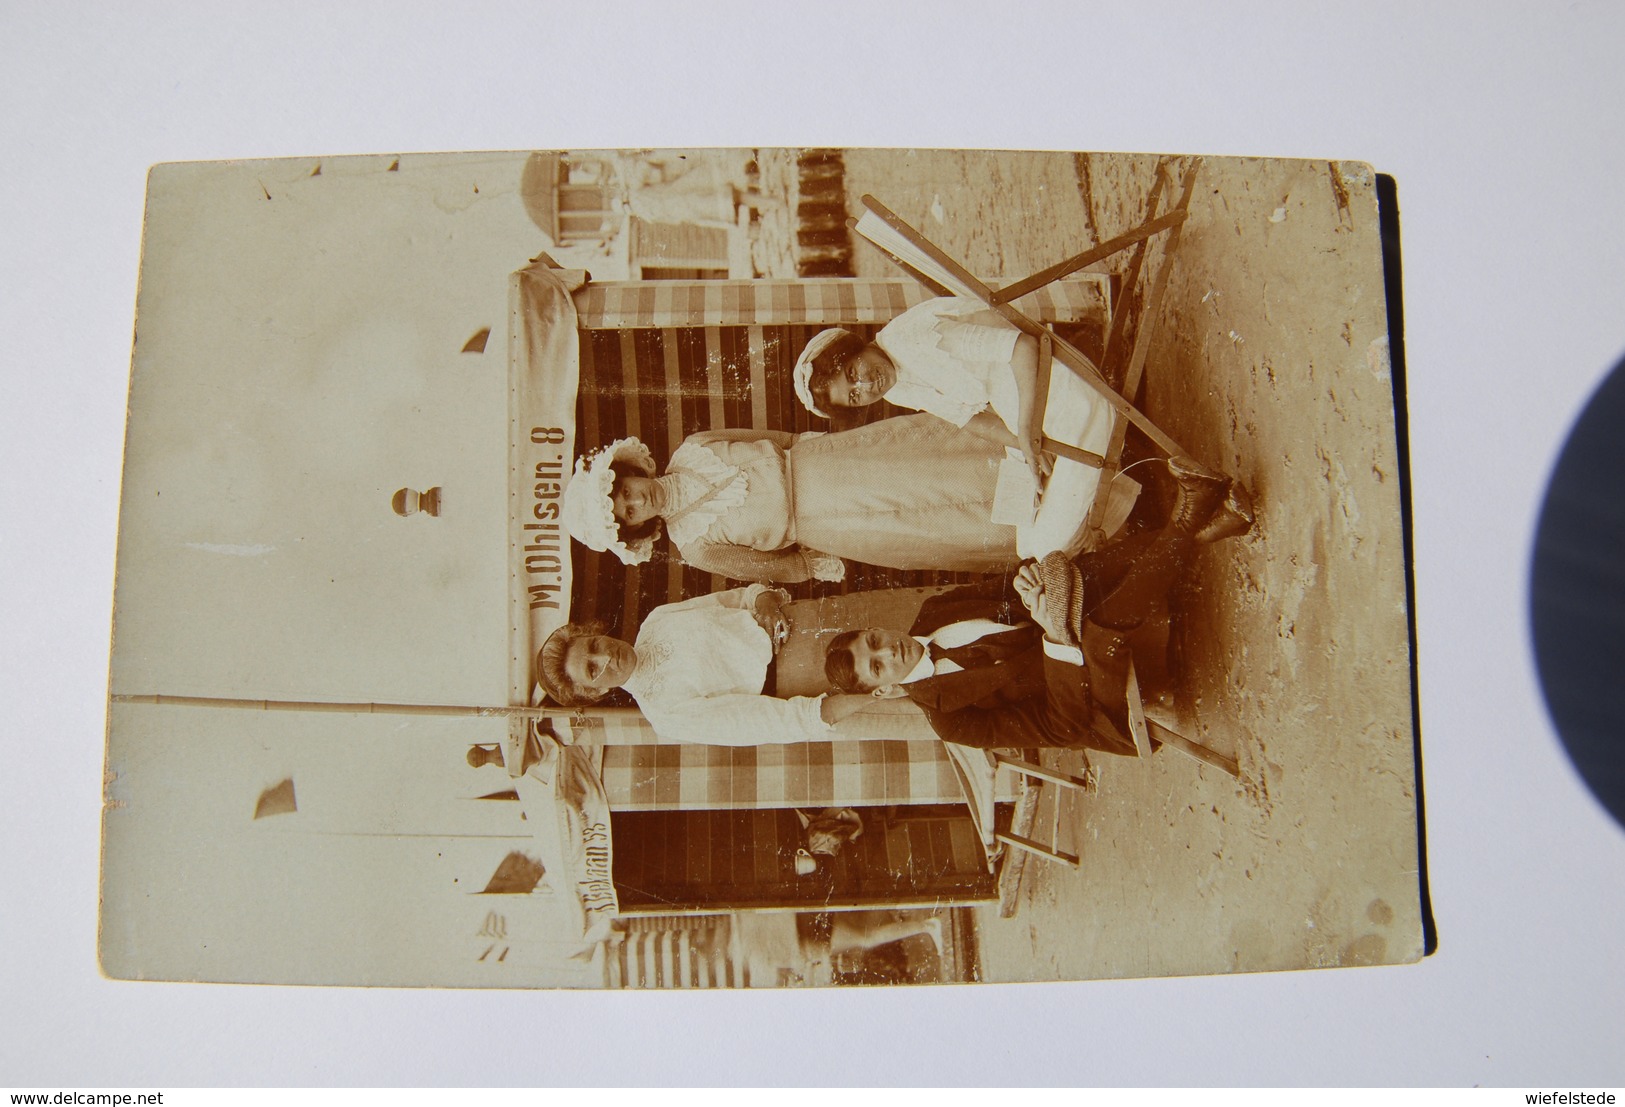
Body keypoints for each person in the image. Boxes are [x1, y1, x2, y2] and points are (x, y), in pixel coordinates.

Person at [822, 457, 1248, 755]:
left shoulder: (935, 612)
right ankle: (1193, 515)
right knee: (1098, 624)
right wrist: (1057, 638)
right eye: (877, 665)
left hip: (1078, 624)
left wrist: (1029, 583)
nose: (887, 650)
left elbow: (1012, 584)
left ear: (876, 628)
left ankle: (1217, 522)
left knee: (1081, 569)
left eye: (874, 640)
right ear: (883, 689)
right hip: (1092, 700)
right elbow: (1062, 726)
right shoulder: (950, 720)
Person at [793, 296, 1150, 559]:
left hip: (1057, 390)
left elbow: (1022, 347)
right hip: (1027, 414)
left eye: (853, 373)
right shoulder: (896, 383)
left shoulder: (911, 341)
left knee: (1047, 546)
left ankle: (1124, 525)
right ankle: (1111, 514)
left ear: (853, 350)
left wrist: (1029, 434)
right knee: (1022, 534)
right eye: (855, 395)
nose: (867, 386)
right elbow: (971, 419)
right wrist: (1025, 448)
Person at [561, 419, 1026, 584]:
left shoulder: (695, 446)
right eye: (629, 512)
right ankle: (1033, 516)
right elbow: (771, 567)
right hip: (827, 520)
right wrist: (810, 562)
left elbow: (771, 437)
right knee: (928, 520)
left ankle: (1026, 452)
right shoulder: (695, 545)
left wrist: (819, 445)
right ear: (636, 527)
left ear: (631, 473)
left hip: (822, 463)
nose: (636, 500)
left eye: (626, 491)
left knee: (924, 466)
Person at [536, 582, 874, 745]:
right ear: (595, 693)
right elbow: (764, 724)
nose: (607, 656)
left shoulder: (657, 620)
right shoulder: (665, 715)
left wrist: (766, 602)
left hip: (810, 616)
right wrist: (861, 699)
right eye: (593, 669)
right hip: (808, 677)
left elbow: (742, 597)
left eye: (594, 645)